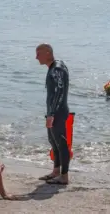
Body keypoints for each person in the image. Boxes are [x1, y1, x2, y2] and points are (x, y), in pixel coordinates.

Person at [35, 43, 70, 185]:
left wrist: (52, 114)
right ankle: (56, 171)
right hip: (53, 112)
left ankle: (64, 176)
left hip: (58, 113)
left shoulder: (57, 69)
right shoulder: (54, 67)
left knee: (61, 144)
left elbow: (59, 93)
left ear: (48, 53)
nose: (36, 57)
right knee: (53, 143)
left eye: (39, 53)